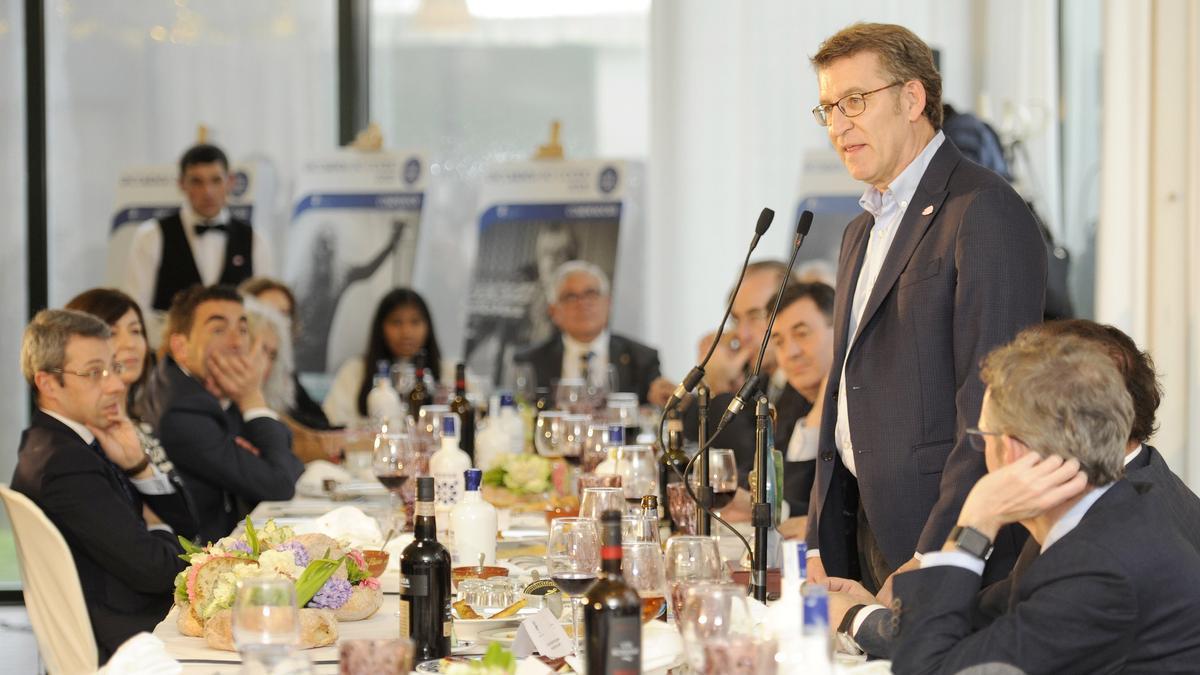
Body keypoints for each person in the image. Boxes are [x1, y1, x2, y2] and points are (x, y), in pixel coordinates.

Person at [804, 23, 1046, 595]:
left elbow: (991, 406)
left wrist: (936, 553)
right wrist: (819, 536)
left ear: (913, 99)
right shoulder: (859, 230)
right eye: (827, 109)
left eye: (854, 102)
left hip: (943, 539)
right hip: (859, 529)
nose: (838, 126)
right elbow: (844, 389)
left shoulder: (983, 209)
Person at [832, 319, 1200, 659]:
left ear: (1012, 448)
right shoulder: (1095, 513)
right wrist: (864, 616)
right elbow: (985, 619)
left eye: (982, 436)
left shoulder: (1105, 562)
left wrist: (977, 520)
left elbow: (934, 667)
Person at [12, 309, 197, 662]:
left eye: (113, 368)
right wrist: (158, 526)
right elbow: (155, 571)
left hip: (137, 619)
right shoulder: (64, 464)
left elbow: (188, 528)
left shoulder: (69, 440)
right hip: (133, 641)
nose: (116, 384)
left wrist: (139, 466)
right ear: (49, 383)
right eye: (95, 372)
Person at [144, 284, 302, 544]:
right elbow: (279, 483)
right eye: (218, 330)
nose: (237, 342)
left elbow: (290, 463)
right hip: (199, 557)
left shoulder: (206, 389)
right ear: (181, 346)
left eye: (242, 329)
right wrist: (252, 399)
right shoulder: (182, 410)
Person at [123, 144, 273, 347]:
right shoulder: (151, 236)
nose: (207, 191)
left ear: (230, 182)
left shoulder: (255, 239)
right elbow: (137, 309)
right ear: (181, 184)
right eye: (197, 182)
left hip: (235, 361)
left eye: (215, 180)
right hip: (168, 360)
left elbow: (263, 311)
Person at [65, 288, 191, 503]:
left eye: (136, 331)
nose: (130, 344)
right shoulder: (89, 436)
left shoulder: (141, 420)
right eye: (112, 333)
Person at [514, 261, 661, 405]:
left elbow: (657, 414)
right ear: (553, 311)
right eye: (570, 297)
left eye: (591, 293)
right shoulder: (531, 361)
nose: (582, 304)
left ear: (608, 303)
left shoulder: (642, 359)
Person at [766, 281, 835, 535]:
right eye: (780, 342)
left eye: (802, 333)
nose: (790, 352)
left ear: (839, 330)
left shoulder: (865, 404)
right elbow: (790, 493)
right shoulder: (791, 401)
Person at [323, 287, 443, 428]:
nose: (406, 332)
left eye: (415, 322)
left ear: (427, 326)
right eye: (396, 322)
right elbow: (334, 423)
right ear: (381, 327)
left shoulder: (448, 373)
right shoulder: (355, 371)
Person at [239, 276, 334, 430]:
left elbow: (319, 421)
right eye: (266, 309)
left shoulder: (285, 374)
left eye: (284, 313)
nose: (276, 320)